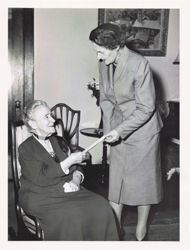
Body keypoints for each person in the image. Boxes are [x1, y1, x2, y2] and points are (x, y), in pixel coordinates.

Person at [89, 23, 163, 241]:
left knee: (143, 183)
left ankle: (141, 231)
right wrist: (110, 133)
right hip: (118, 128)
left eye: (101, 51)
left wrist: (120, 131)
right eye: (96, 51)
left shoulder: (139, 64)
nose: (98, 57)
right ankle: (116, 231)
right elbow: (106, 101)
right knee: (117, 181)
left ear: (116, 47)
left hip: (143, 131)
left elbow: (146, 108)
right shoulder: (104, 64)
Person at [18, 100, 119, 241]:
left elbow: (77, 168)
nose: (53, 120)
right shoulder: (25, 149)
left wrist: (76, 180)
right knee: (73, 216)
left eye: (51, 115)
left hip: (68, 188)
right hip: (39, 194)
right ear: (33, 124)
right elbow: (41, 178)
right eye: (46, 117)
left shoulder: (58, 141)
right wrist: (70, 160)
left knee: (103, 207)